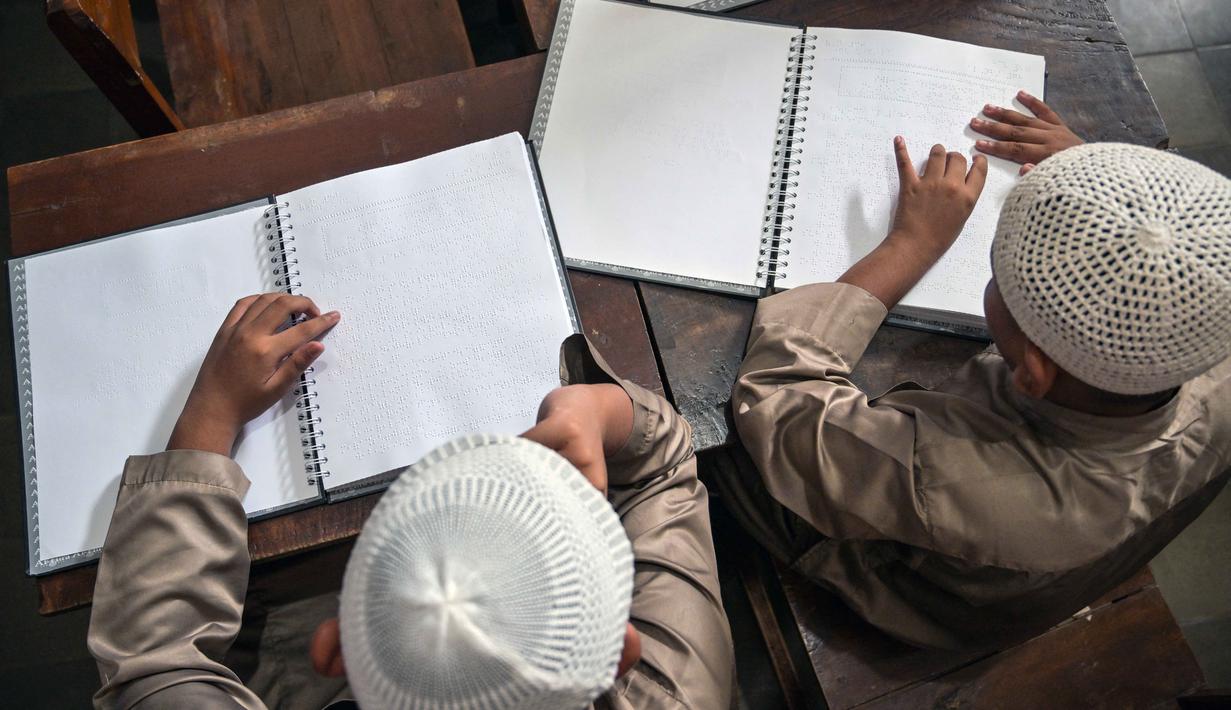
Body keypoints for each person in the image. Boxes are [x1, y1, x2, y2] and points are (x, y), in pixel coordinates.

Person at [714, 93, 1231, 650]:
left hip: (927, 590)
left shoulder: (956, 475)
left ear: (1032, 373)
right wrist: (1104, 189)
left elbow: (780, 400)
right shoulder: (1207, 315)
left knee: (721, 446)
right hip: (1071, 550)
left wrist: (912, 243)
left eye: (999, 276)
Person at [86, 292, 734, 708]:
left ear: (332, 651)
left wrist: (211, 411)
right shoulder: (679, 694)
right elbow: (663, 467)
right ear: (622, 652)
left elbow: (150, 664)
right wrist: (602, 407)